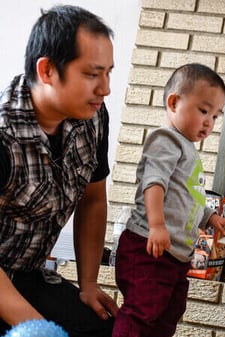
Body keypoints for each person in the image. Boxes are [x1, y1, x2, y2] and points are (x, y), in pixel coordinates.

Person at [0, 5, 118, 337]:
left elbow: (93, 199)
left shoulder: (94, 116)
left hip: (30, 275)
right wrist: (37, 328)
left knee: (105, 329)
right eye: (93, 74)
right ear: (48, 70)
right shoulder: (3, 136)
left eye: (109, 72)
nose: (105, 88)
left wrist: (89, 283)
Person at [112, 63, 225, 337]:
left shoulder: (187, 148)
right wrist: (156, 225)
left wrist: (211, 217)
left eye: (216, 116)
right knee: (142, 311)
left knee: (169, 312)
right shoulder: (166, 139)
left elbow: (187, 197)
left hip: (175, 256)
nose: (209, 122)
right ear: (174, 102)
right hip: (149, 247)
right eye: (203, 111)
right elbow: (154, 183)